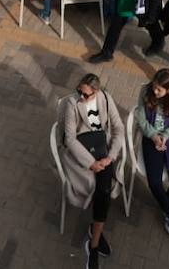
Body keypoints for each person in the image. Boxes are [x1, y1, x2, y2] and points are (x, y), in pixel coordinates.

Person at [57, 74, 125, 268]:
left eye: (86, 94)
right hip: (81, 153)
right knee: (103, 189)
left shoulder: (105, 98)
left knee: (102, 189)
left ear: (96, 92)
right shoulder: (72, 103)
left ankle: (93, 245)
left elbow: (119, 128)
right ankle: (95, 242)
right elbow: (70, 139)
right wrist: (91, 164)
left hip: (103, 150)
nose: (81, 96)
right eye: (79, 91)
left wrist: (110, 157)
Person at [132, 69, 169, 241]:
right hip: (150, 138)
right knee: (154, 183)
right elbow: (141, 119)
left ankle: (167, 208)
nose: (155, 91)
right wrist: (153, 136)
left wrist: (165, 136)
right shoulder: (145, 91)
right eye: (154, 87)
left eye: (159, 90)